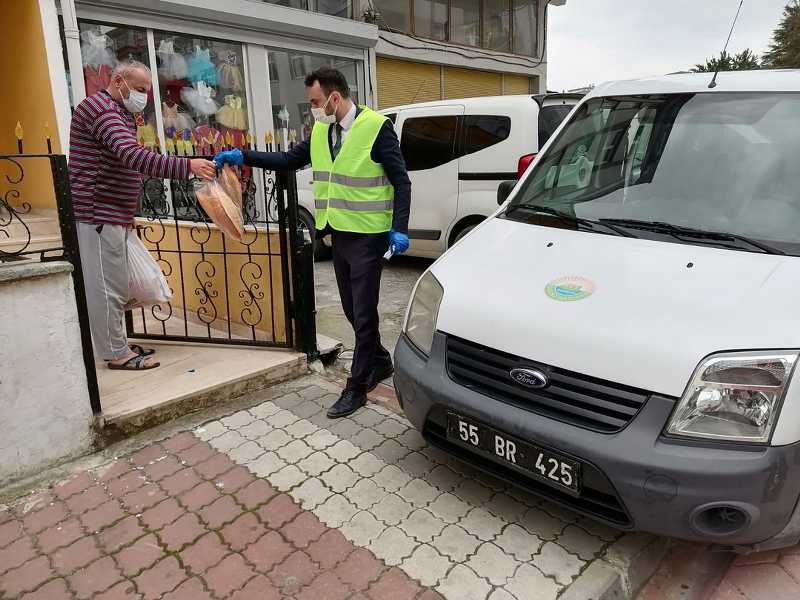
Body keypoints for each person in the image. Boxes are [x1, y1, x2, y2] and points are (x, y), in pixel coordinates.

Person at [215, 67, 411, 418]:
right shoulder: (323, 130)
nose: (313, 109)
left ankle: (357, 387)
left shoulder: (376, 129)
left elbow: (401, 181)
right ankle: (380, 360)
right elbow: (289, 159)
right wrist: (244, 156)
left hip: (369, 236)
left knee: (363, 315)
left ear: (335, 97)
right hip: (339, 234)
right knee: (352, 309)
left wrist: (399, 228)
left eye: (316, 102)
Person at [68, 60, 216, 371]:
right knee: (108, 288)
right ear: (118, 80)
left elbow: (117, 163)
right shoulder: (101, 109)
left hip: (111, 214)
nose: (144, 96)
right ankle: (116, 354)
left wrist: (126, 213)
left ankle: (116, 344)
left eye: (146, 91)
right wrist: (187, 166)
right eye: (139, 89)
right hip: (97, 213)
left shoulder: (118, 111)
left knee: (119, 286)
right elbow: (131, 157)